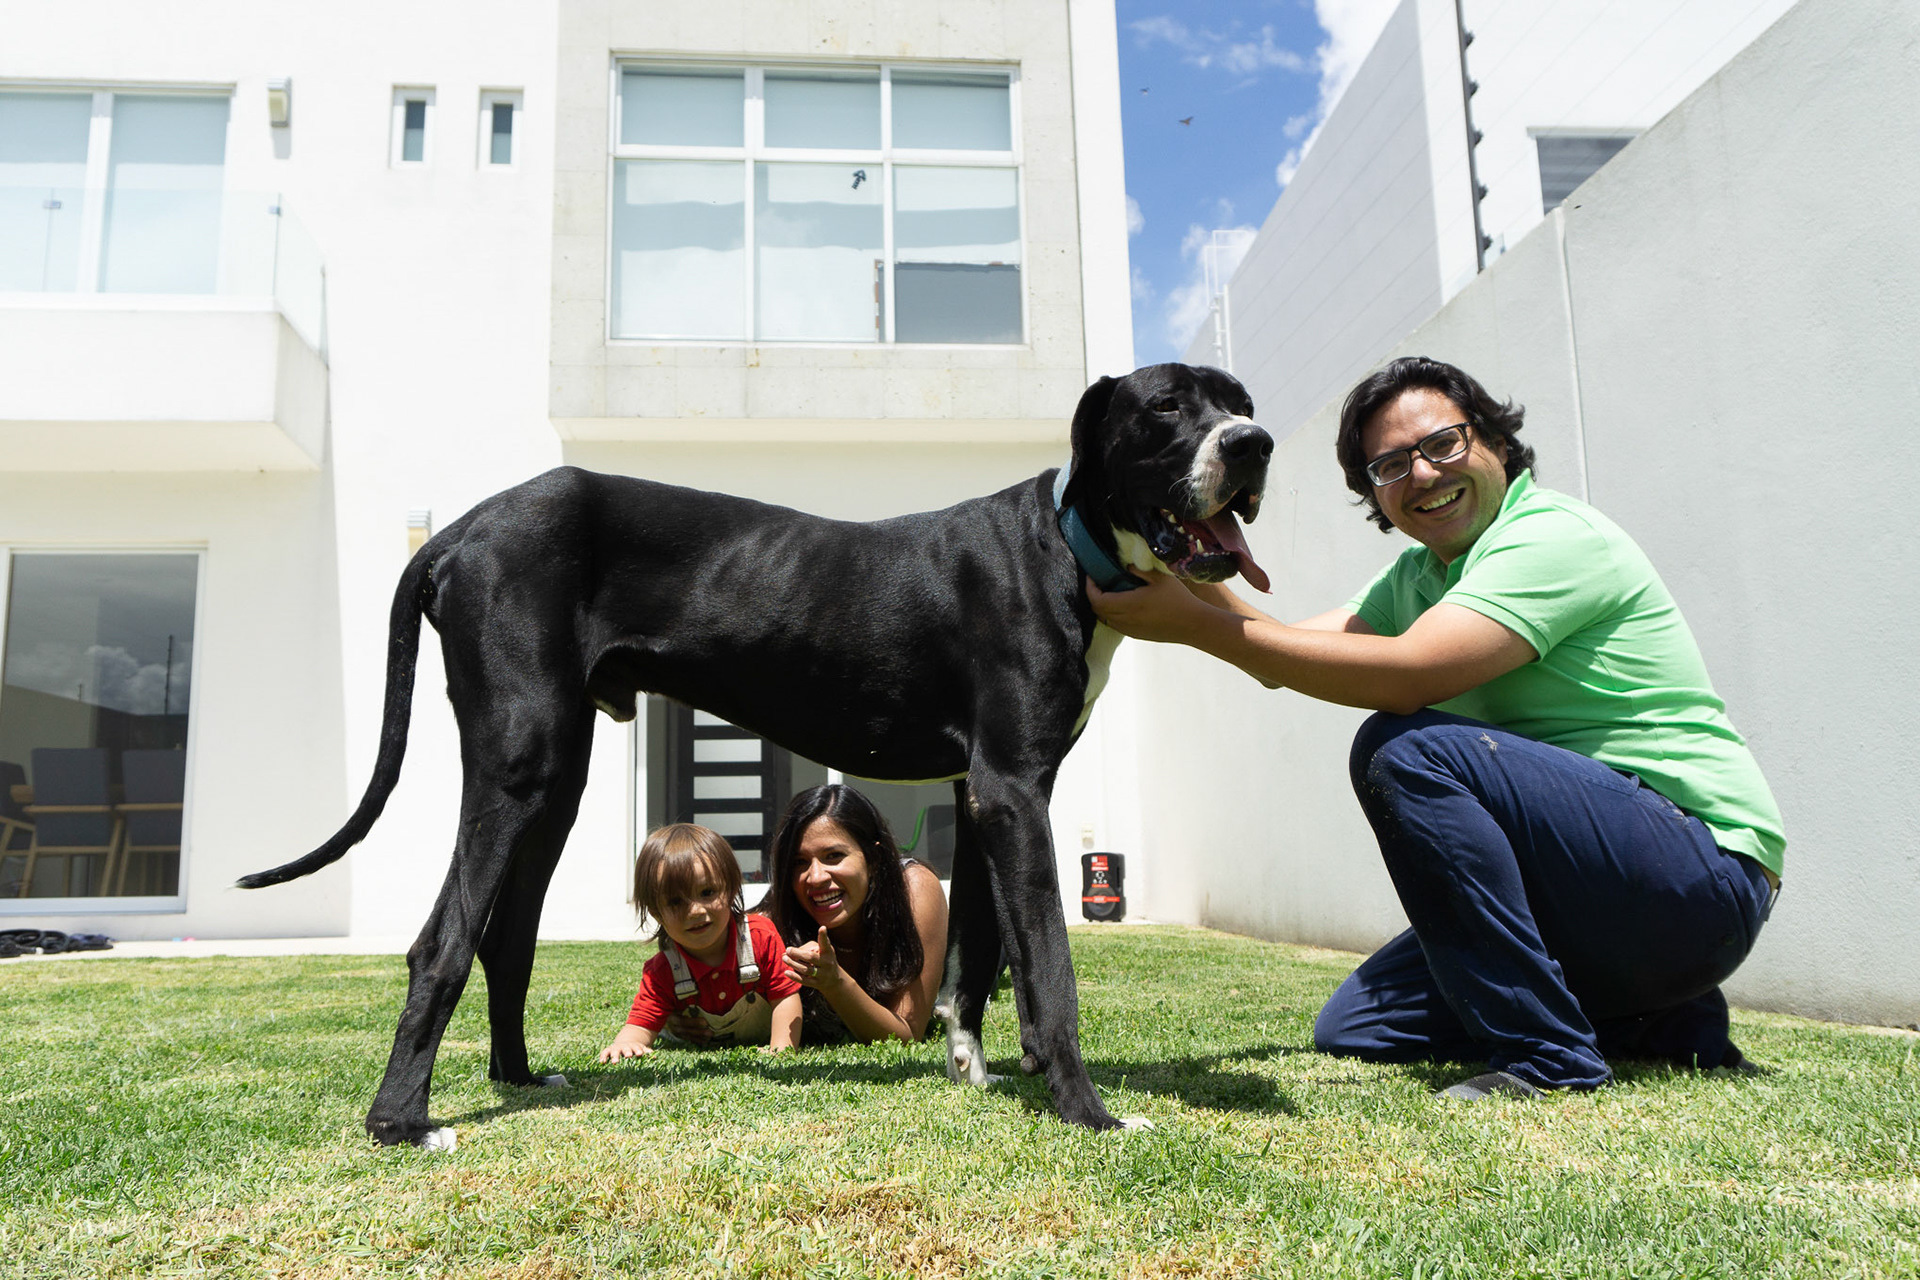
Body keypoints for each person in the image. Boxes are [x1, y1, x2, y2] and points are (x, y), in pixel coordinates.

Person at [1087, 355, 1784, 1100]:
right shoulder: (1420, 578)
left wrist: (1197, 624)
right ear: (1375, 496)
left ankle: (1551, 1061)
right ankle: (1660, 1017)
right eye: (1389, 465)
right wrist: (1171, 567)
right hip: (1594, 902)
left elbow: (1411, 674)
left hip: (1701, 873)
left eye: (1442, 445)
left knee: (1407, 750)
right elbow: (1285, 651)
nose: (1419, 474)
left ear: (1497, 444)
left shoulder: (1551, 537)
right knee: (1356, 1027)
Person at [762, 784, 949, 1044]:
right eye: (799, 862)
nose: (815, 877)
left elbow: (907, 1035)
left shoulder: (914, 889)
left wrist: (835, 983)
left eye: (833, 856)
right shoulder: (780, 912)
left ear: (872, 857)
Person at [598, 823, 802, 1061]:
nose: (694, 911)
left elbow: (785, 997)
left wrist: (781, 1049)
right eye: (675, 902)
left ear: (730, 889)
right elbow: (641, 1024)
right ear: (656, 913)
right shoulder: (662, 971)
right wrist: (626, 1044)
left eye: (707, 893)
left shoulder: (759, 938)